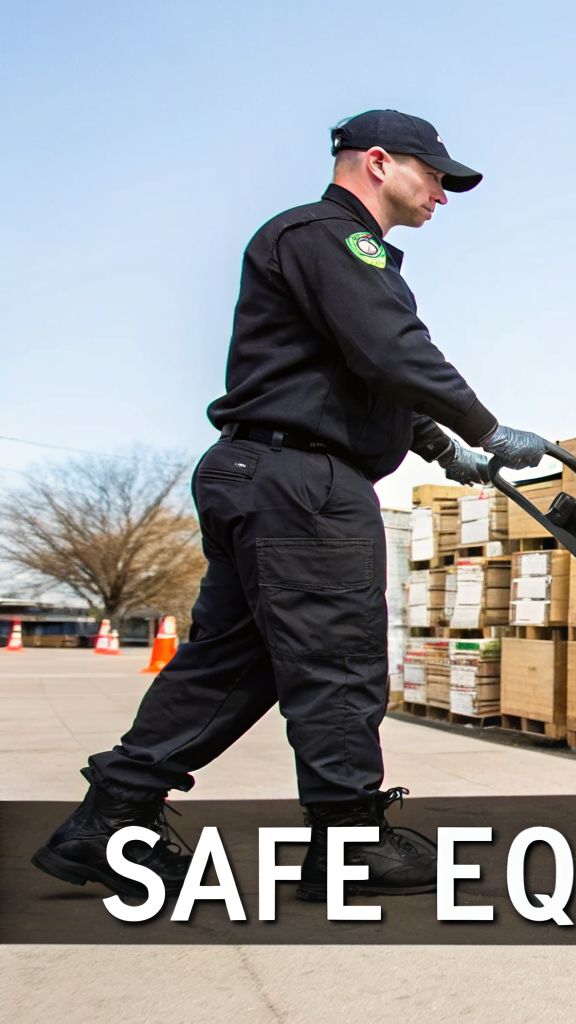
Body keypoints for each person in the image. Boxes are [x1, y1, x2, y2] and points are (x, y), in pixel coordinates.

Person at [30, 110, 548, 902]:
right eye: (434, 174)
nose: (444, 192)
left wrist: (445, 449)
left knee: (231, 665)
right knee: (338, 665)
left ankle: (112, 819)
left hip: (264, 472)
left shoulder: (320, 245)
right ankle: (348, 845)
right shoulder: (330, 237)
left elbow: (356, 374)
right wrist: (486, 424)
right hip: (304, 484)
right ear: (377, 162)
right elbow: (389, 348)